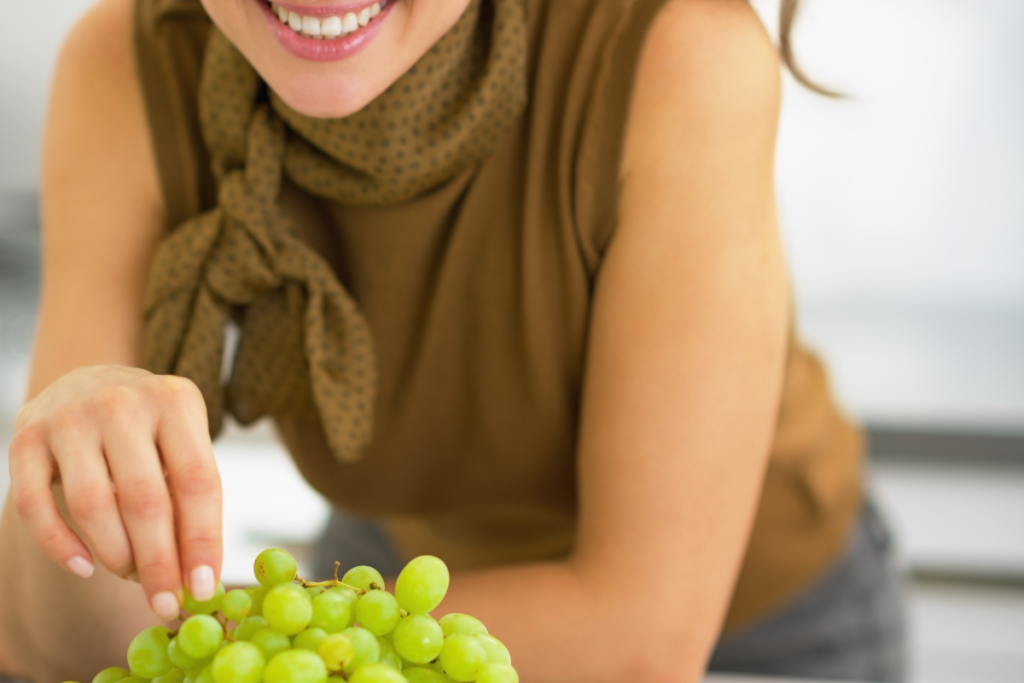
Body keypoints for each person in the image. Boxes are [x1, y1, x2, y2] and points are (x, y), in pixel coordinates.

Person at [0, 0, 904, 681]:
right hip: (394, 589)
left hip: (760, 630)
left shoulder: (680, 48)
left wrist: (285, 650)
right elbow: (66, 639)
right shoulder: (125, 60)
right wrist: (76, 479)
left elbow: (639, 634)